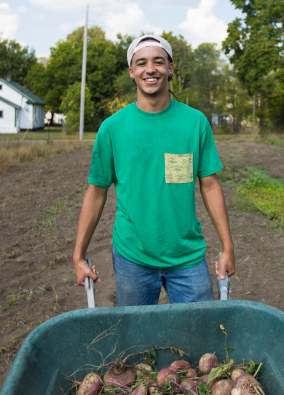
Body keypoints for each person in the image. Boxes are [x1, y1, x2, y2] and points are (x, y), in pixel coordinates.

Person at [72, 34, 235, 306]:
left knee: (200, 336)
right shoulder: (112, 129)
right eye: (141, 63)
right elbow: (96, 193)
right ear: (132, 73)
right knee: (138, 343)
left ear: (170, 69)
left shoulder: (195, 122)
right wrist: (78, 256)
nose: (150, 69)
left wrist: (228, 247)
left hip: (188, 257)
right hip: (132, 258)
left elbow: (209, 185)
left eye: (158, 62)